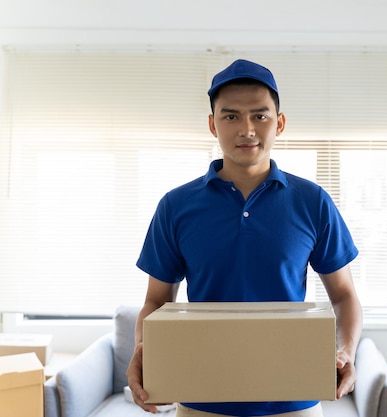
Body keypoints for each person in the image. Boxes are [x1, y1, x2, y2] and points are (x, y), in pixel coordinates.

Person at [126, 59, 363, 417]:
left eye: (260, 116)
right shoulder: (176, 206)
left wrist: (345, 351)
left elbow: (344, 295)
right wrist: (143, 355)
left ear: (279, 123)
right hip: (199, 396)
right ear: (212, 124)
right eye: (231, 116)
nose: (247, 129)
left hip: (293, 397)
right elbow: (156, 301)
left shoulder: (312, 201)